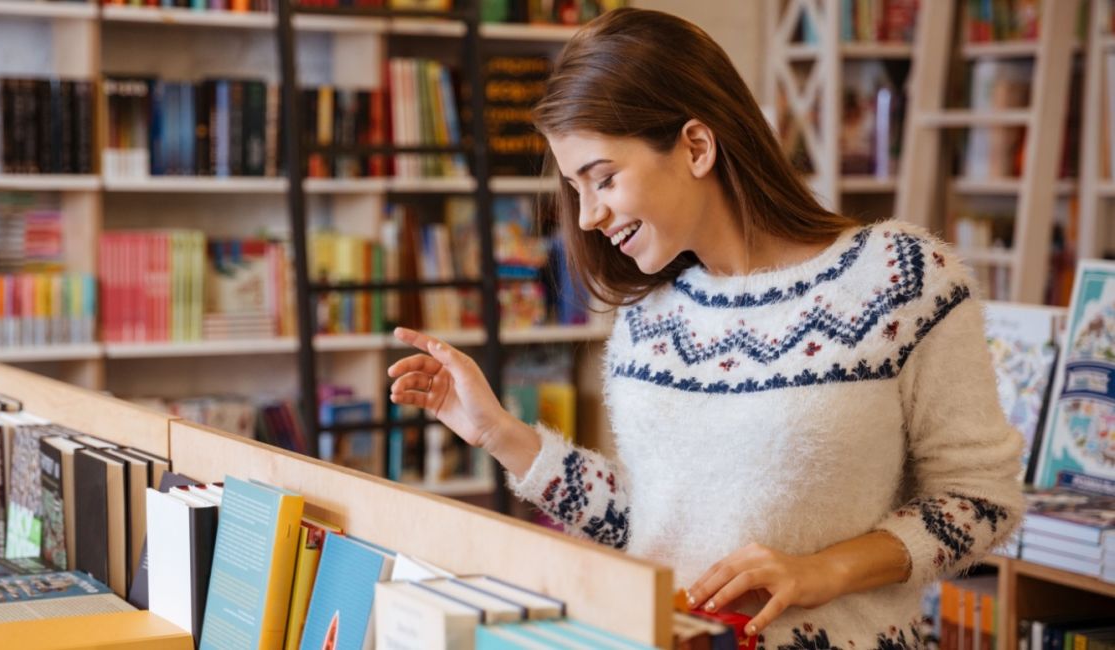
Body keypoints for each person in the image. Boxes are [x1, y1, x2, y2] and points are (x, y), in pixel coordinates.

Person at [387, 8, 1023, 648]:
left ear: (696, 146)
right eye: (576, 188)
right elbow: (649, 521)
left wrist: (822, 571)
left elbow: (982, 499)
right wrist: (498, 432)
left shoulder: (903, 277)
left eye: (604, 178)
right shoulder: (648, 317)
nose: (586, 216)